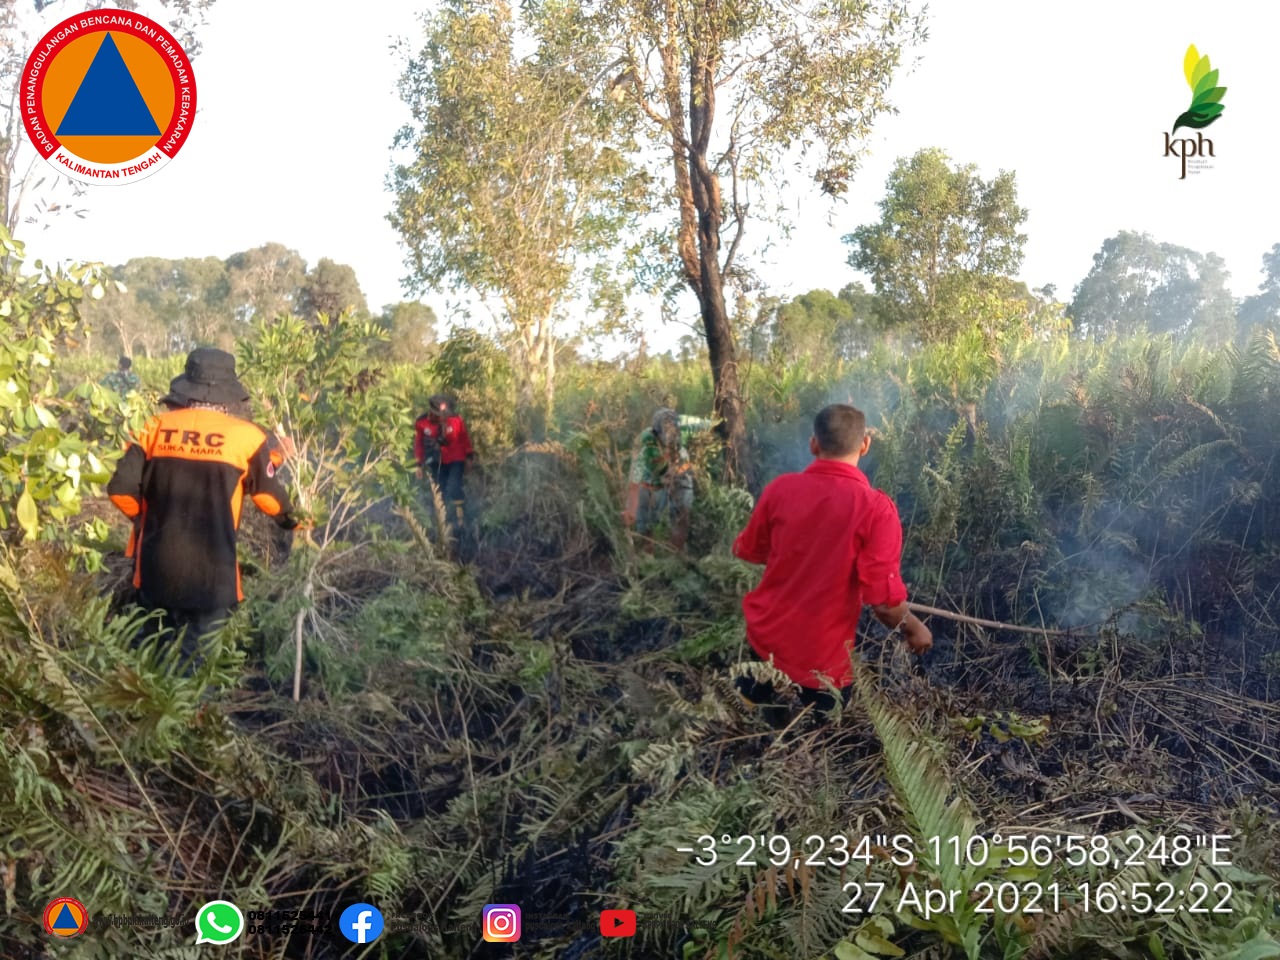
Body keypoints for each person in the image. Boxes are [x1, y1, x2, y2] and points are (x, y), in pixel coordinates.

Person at [732, 404, 932, 727]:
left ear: (813, 444)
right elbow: (882, 601)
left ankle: (767, 743)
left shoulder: (779, 490)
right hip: (822, 664)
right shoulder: (876, 510)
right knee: (821, 745)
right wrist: (915, 628)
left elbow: (748, 550)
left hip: (765, 640)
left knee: (760, 725)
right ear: (865, 445)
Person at [106, 348, 303, 667]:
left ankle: (143, 713)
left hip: (155, 570)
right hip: (212, 577)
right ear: (228, 395)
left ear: (186, 387)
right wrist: (300, 522)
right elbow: (268, 498)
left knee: (148, 658)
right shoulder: (247, 437)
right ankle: (189, 714)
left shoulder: (153, 428)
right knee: (195, 668)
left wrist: (146, 521)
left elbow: (119, 490)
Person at [623, 408, 712, 550]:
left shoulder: (686, 424)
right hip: (652, 482)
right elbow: (634, 483)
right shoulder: (645, 447)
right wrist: (630, 508)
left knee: (681, 515)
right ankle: (647, 553)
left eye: (674, 431)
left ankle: (676, 554)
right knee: (646, 522)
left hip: (679, 475)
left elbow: (712, 424)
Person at [414, 394, 475, 531]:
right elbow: (419, 444)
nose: (443, 417)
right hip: (436, 461)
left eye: (444, 413)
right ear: (432, 412)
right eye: (439, 414)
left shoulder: (455, 419)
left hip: (455, 458)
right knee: (440, 491)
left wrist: (469, 456)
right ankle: (444, 522)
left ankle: (462, 520)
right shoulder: (421, 423)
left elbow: (464, 438)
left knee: (454, 487)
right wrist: (418, 464)